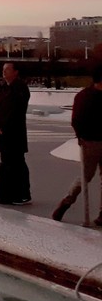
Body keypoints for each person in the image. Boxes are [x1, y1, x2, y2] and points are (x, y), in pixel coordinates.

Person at [52, 65, 102, 224]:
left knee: (87, 176)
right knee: (86, 176)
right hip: (90, 142)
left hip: (91, 141)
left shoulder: (83, 95)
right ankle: (67, 201)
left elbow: (75, 119)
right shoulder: (85, 96)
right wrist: (81, 137)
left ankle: (101, 214)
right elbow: (76, 120)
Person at [0, 62, 31, 205]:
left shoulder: (20, 88)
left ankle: (22, 195)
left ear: (16, 72)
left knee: (17, 163)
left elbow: (17, 111)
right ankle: (4, 193)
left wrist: (3, 127)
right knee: (6, 162)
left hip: (15, 132)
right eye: (3, 69)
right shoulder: (2, 87)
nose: (4, 72)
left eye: (7, 69)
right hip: (2, 132)